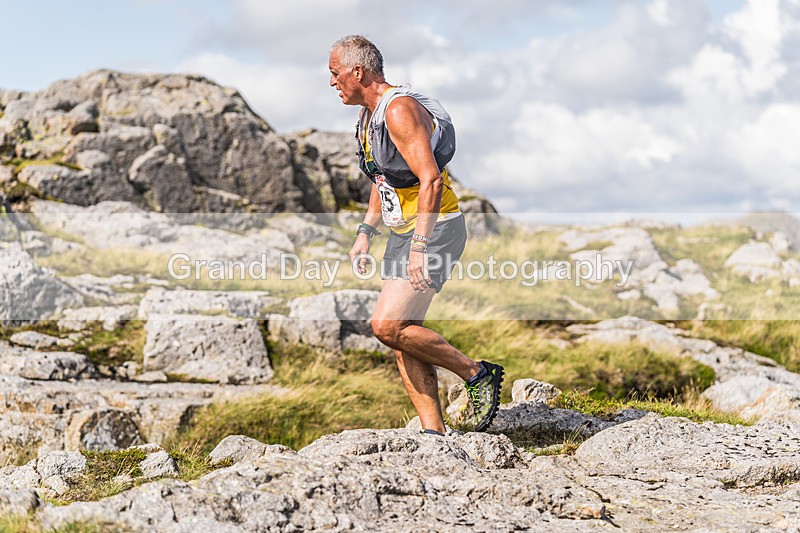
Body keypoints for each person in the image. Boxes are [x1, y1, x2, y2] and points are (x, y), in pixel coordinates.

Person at [328, 35, 504, 435]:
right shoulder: (368, 116)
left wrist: (420, 248)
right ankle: (434, 434)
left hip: (436, 227)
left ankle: (476, 373)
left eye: (335, 73)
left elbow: (430, 181)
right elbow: (383, 176)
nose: (332, 82)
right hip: (406, 229)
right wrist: (364, 232)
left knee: (387, 325)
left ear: (359, 71)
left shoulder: (399, 111)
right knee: (402, 335)